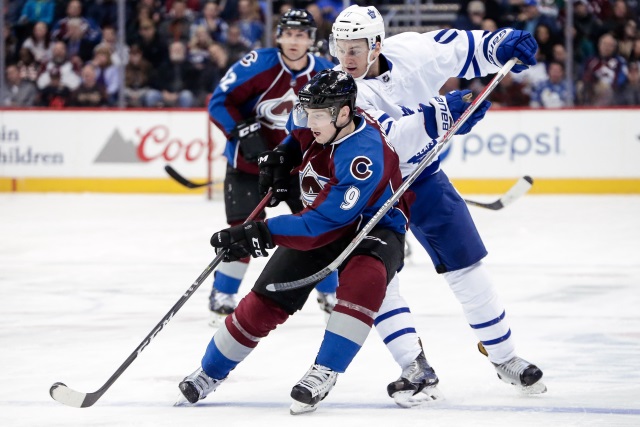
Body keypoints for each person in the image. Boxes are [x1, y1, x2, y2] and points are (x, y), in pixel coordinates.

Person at [178, 69, 488, 414]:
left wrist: (261, 232)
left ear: (344, 113)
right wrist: (282, 159)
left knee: (363, 283)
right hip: (324, 217)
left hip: (374, 228)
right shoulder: (315, 118)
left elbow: (324, 224)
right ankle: (209, 372)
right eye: (308, 112)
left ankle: (324, 370)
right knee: (267, 296)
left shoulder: (363, 155)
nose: (310, 121)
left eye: (319, 116)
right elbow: (295, 138)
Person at [328, 5, 546, 407]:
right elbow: (386, 141)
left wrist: (501, 43)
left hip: (424, 179)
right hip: (371, 189)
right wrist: (444, 114)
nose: (346, 58)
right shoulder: (341, 89)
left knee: (467, 264)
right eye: (340, 48)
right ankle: (415, 366)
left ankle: (504, 356)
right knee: (377, 278)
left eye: (355, 48)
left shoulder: (412, 50)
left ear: (376, 44)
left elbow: (463, 47)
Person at [206, 9, 336, 327]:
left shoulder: (323, 71)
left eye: (301, 34)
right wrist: (241, 131)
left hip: (298, 168)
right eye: (289, 33)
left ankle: (330, 293)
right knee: (243, 230)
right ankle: (222, 296)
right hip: (249, 167)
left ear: (311, 39)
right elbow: (219, 102)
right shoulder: (258, 64)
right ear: (278, 36)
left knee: (319, 229)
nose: (294, 40)